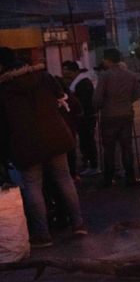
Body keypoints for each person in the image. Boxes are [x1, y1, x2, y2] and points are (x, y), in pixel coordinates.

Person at [0, 47, 86, 248]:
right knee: (65, 180)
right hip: (55, 136)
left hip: (26, 144)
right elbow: (65, 101)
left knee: (33, 186)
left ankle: (43, 234)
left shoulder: (3, 90)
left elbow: (2, 126)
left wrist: (6, 153)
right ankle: (79, 224)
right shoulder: (45, 77)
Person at [93, 48, 140, 187]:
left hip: (109, 116)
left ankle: (108, 177)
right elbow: (137, 94)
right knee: (127, 146)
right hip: (125, 114)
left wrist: (98, 106)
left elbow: (97, 98)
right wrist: (127, 102)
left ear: (108, 60)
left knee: (109, 148)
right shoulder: (130, 75)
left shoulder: (104, 76)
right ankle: (130, 176)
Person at [62, 60, 98, 176]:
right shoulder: (77, 81)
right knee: (84, 141)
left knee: (88, 141)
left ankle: (93, 164)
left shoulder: (82, 83)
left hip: (86, 117)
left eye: (65, 69)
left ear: (73, 70)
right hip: (83, 117)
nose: (63, 71)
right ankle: (88, 163)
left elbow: (84, 102)